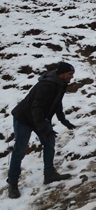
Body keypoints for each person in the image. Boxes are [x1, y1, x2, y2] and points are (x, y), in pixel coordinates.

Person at [7, 62, 76, 199]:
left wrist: (64, 121)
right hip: (24, 118)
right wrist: (44, 129)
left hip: (39, 117)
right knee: (20, 150)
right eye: (70, 74)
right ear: (61, 74)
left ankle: (49, 173)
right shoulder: (46, 85)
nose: (72, 77)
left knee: (49, 142)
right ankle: (12, 183)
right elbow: (36, 109)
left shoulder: (60, 84)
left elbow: (57, 104)